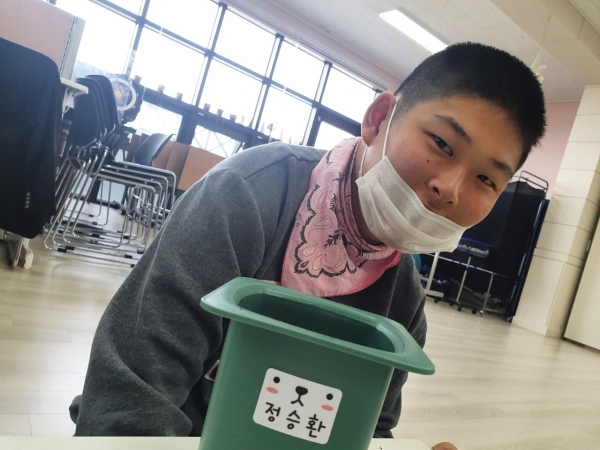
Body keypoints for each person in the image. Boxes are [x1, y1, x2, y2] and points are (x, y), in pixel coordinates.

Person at [69, 42, 546, 450]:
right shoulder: (246, 197)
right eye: (441, 143)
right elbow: (130, 398)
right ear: (379, 119)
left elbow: (369, 430)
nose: (451, 189)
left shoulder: (402, 301)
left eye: (487, 179)